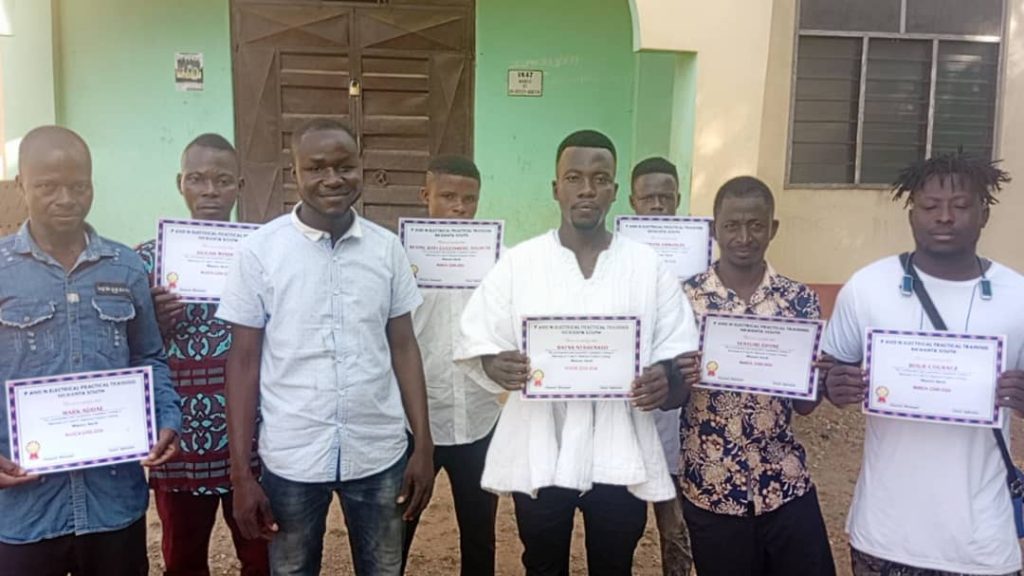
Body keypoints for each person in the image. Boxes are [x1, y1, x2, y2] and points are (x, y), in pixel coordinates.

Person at [456, 129, 699, 576]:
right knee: (542, 561)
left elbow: (677, 350)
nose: (587, 189)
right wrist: (495, 363)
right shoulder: (520, 263)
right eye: (574, 178)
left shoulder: (647, 266)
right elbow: (478, 335)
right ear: (556, 188)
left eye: (600, 178)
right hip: (542, 443)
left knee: (614, 562)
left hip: (620, 446)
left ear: (614, 190)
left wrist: (665, 379)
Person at [217, 118, 434, 576]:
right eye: (316, 168)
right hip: (292, 454)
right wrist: (241, 474)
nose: (332, 179)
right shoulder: (259, 252)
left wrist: (423, 446)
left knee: (384, 569)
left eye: (344, 166)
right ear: (294, 172)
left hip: (378, 451)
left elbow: (404, 347)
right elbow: (243, 362)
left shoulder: (387, 249)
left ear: (361, 167)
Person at [823, 152, 1024, 576]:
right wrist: (834, 387)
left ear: (985, 213)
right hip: (884, 536)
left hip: (981, 545)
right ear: (912, 213)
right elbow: (828, 370)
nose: (944, 217)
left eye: (960, 205)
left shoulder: (1017, 296)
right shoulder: (867, 287)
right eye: (930, 205)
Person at [0, 126, 181, 575]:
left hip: (111, 501)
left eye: (79, 186)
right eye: (47, 186)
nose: (66, 199)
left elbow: (148, 356)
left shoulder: (125, 267)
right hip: (25, 506)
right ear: (21, 185)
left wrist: (166, 416)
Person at [674, 176, 835, 576]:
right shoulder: (684, 299)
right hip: (713, 486)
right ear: (715, 230)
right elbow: (670, 399)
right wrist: (681, 376)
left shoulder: (798, 300)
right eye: (732, 226)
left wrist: (818, 376)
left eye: (756, 225)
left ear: (772, 228)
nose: (744, 237)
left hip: (783, 481)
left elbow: (805, 406)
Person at [136, 133, 269, 576]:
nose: (210, 191)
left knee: (261, 555)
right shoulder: (147, 262)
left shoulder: (266, 255)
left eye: (222, 180)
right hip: (181, 438)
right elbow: (128, 347)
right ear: (180, 183)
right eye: (197, 179)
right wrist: (154, 322)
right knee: (183, 557)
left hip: (254, 432)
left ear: (239, 186)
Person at [402, 155, 500, 575]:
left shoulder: (497, 260)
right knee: (399, 524)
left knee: (480, 532)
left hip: (479, 415)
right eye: (447, 196)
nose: (459, 208)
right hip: (414, 421)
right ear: (425, 195)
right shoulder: (400, 260)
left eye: (469, 199)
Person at [628, 157, 693, 576]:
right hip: (627, 410)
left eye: (665, 197)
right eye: (648, 197)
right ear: (632, 202)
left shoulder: (698, 259)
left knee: (676, 527)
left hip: (680, 414)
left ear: (678, 199)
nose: (657, 205)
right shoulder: (612, 258)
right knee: (621, 526)